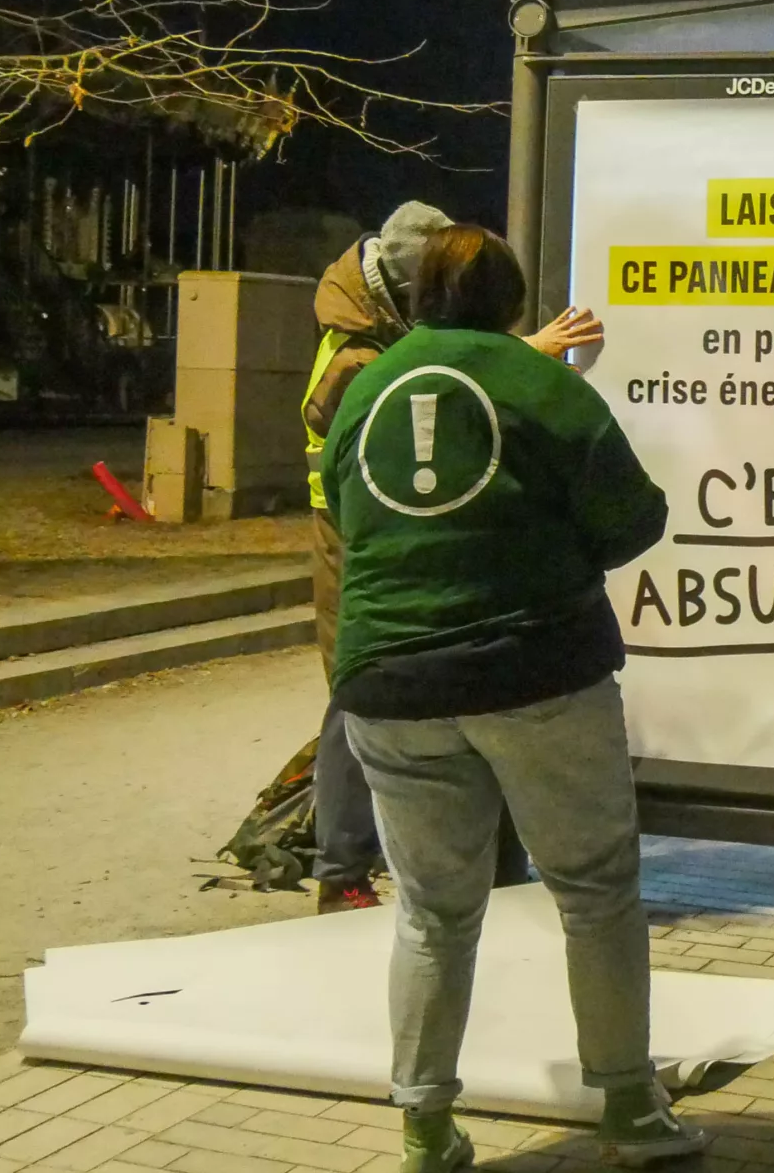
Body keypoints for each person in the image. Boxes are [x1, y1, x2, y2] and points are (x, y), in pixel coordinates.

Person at [323, 225, 705, 1170]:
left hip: (387, 682)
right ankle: (628, 1107)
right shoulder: (540, 383)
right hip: (533, 672)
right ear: (509, 301)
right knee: (596, 890)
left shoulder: (366, 385)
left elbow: (340, 507)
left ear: (414, 301)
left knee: (431, 911)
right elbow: (636, 518)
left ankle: (424, 1129)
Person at [302, 203, 599, 912]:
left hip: (378, 533)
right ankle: (341, 869)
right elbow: (417, 395)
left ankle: (390, 862)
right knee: (362, 684)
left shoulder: (378, 328)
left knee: (379, 688)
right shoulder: (356, 349)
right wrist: (527, 355)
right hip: (357, 538)